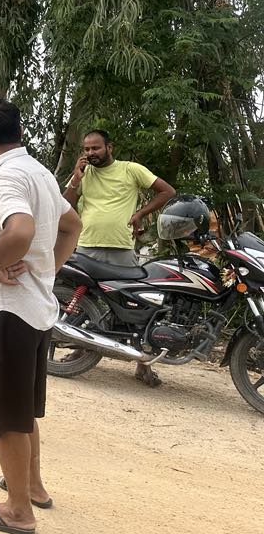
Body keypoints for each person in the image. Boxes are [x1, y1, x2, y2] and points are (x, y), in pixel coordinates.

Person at [0, 99, 82, 534]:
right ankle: (31, 487)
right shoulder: (40, 173)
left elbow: (21, 230)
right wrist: (47, 271)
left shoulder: (8, 176)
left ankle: (17, 511)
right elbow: (73, 225)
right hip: (30, 308)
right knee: (22, 407)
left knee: (7, 414)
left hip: (1, 311)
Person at [63, 128, 175, 385]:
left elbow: (167, 191)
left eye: (96, 148)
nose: (90, 153)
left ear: (109, 147)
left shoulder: (130, 169)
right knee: (85, 300)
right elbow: (66, 205)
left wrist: (140, 214)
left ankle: (142, 364)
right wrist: (75, 180)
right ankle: (81, 349)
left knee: (135, 304)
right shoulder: (84, 174)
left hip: (121, 247)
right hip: (87, 245)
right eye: (87, 149)